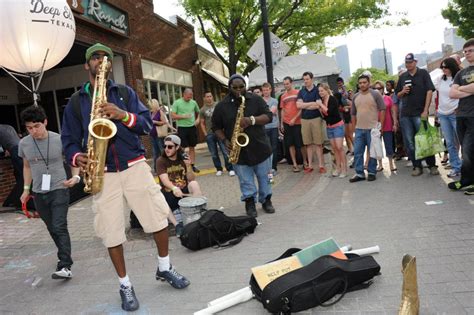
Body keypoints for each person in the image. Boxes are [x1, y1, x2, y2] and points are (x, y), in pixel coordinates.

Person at [61, 43, 189, 312]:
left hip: (134, 165)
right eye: (95, 57)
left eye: (105, 57)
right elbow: (69, 141)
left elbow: (146, 126)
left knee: (158, 218)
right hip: (102, 172)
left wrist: (123, 115)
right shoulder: (76, 102)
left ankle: (165, 267)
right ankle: (125, 284)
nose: (100, 61)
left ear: (109, 64)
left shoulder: (125, 92)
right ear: (87, 65)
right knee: (111, 232)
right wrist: (77, 158)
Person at [18, 105, 79, 279]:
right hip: (38, 192)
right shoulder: (24, 143)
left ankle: (65, 265)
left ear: (45, 122)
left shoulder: (59, 139)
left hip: (60, 188)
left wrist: (75, 178)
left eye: (36, 126)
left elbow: (73, 161)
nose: (33, 131)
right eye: (29, 128)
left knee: (59, 226)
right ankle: (64, 255)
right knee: (52, 228)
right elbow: (27, 166)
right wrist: (25, 189)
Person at [212, 74, 275, 217]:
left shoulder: (256, 99)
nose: (239, 90)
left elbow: (269, 116)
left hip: (260, 148)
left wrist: (252, 120)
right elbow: (215, 127)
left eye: (242, 87)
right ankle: (250, 203)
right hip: (238, 151)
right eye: (235, 88)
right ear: (229, 88)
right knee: (245, 181)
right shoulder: (222, 106)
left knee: (266, 178)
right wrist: (224, 140)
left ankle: (266, 200)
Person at [396, 53, 438, 177]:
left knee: (425, 139)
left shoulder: (423, 73)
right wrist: (402, 92)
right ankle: (417, 166)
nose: (408, 64)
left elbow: (429, 91)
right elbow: (397, 94)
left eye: (410, 62)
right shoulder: (403, 76)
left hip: (420, 112)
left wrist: (426, 110)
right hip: (405, 114)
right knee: (409, 142)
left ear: (415, 62)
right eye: (406, 62)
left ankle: (431, 165)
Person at [156, 135, 203, 231]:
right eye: (165, 146)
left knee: (194, 184)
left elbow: (191, 178)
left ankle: (197, 213)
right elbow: (164, 181)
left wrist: (188, 166)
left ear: (177, 147)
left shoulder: (183, 159)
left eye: (170, 147)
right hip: (169, 193)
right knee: (157, 192)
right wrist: (174, 188)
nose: (166, 149)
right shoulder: (161, 161)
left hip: (183, 191)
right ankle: (177, 225)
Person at [448, 38, 474, 195]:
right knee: (465, 149)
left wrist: (461, 90)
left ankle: (468, 181)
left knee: (469, 149)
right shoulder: (461, 73)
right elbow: (452, 93)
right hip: (461, 115)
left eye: (470, 50)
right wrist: (469, 89)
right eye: (465, 52)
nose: (467, 54)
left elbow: (457, 91)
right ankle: (467, 180)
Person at [349, 75, 386, 183]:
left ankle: (371, 172)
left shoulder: (375, 94)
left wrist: (381, 126)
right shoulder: (355, 96)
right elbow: (353, 114)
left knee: (372, 152)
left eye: (364, 82)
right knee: (358, 152)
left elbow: (382, 109)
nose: (362, 84)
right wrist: (355, 128)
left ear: (369, 83)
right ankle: (359, 173)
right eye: (360, 83)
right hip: (359, 129)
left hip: (373, 129)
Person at [199, 91, 235, 176]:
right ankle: (219, 169)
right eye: (207, 96)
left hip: (220, 132)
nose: (209, 98)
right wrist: (205, 134)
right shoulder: (202, 109)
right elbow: (202, 122)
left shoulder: (218, 105)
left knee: (225, 151)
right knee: (214, 154)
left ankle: (230, 168)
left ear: (212, 97)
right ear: (204, 98)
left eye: (210, 96)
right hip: (210, 134)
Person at [436, 57, 461, 178]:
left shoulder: (459, 77)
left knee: (463, 141)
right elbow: (433, 92)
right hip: (443, 114)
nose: (443, 69)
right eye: (442, 67)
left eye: (446, 67)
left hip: (455, 114)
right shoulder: (440, 79)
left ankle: (467, 167)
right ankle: (456, 167)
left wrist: (459, 107)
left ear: (452, 66)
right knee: (450, 143)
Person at [296, 71, 326, 173]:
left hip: (316, 119)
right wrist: (312, 103)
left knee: (318, 143)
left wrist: (305, 104)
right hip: (304, 119)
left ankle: (321, 165)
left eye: (307, 79)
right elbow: (298, 105)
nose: (305, 81)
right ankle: (310, 166)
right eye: (304, 79)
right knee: (308, 144)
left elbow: (318, 105)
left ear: (312, 79)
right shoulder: (301, 91)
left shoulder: (317, 90)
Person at [318, 84, 347, 177]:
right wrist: (320, 108)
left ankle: (344, 169)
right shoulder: (322, 101)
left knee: (339, 147)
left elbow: (330, 112)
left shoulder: (332, 99)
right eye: (319, 91)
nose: (320, 93)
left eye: (322, 90)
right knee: (334, 149)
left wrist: (321, 105)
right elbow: (324, 116)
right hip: (329, 127)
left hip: (338, 125)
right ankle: (338, 168)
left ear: (327, 90)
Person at [171, 88, 200, 173]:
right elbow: (173, 116)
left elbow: (199, 112)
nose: (189, 98)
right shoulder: (177, 103)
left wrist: (198, 119)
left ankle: (192, 165)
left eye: (191, 96)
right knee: (182, 148)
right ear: (184, 94)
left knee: (192, 147)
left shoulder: (193, 102)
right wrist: (183, 116)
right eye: (188, 97)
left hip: (192, 127)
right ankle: (183, 165)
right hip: (182, 127)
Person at [279, 76, 304, 172]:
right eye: (284, 84)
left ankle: (305, 163)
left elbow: (301, 108)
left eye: (287, 84)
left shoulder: (298, 93)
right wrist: (281, 123)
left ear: (291, 83)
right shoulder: (283, 96)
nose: (286, 86)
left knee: (301, 144)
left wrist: (294, 118)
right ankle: (294, 164)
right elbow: (282, 110)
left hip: (297, 122)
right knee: (290, 144)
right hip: (286, 123)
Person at [373, 80, 398, 172]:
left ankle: (391, 164)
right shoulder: (372, 100)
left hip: (387, 124)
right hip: (375, 126)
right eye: (375, 88)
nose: (377, 90)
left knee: (389, 145)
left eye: (379, 88)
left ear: (382, 89)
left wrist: (395, 122)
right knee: (377, 145)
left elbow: (392, 111)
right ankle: (380, 164)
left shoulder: (387, 98)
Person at [149, 99, 176, 173]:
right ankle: (156, 169)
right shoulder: (151, 113)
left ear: (153, 104)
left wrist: (155, 122)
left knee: (162, 151)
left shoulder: (160, 112)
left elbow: (164, 122)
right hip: (153, 135)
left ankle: (167, 167)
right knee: (155, 153)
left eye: (150, 104)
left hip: (159, 135)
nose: (149, 106)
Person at [0, 124, 23, 208]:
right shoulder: (9, 126)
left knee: (22, 175)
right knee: (18, 173)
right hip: (21, 147)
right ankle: (19, 197)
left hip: (14, 150)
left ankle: (22, 198)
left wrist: (5, 149)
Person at [262, 82, 279, 174]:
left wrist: (264, 112)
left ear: (270, 90)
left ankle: (273, 167)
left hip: (273, 127)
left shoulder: (274, 100)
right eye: (264, 90)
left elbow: (271, 112)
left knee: (274, 147)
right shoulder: (260, 101)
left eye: (267, 90)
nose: (266, 92)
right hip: (264, 127)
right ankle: (267, 168)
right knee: (266, 148)